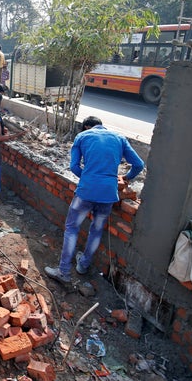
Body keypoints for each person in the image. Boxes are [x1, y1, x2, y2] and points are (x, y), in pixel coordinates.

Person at [45, 116, 145, 284]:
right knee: (96, 230)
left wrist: (89, 178)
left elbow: (74, 166)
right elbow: (139, 164)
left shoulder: (82, 136)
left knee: (71, 228)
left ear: (86, 126)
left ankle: (63, 272)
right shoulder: (119, 138)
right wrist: (127, 178)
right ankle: (83, 265)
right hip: (108, 195)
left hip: (86, 192)